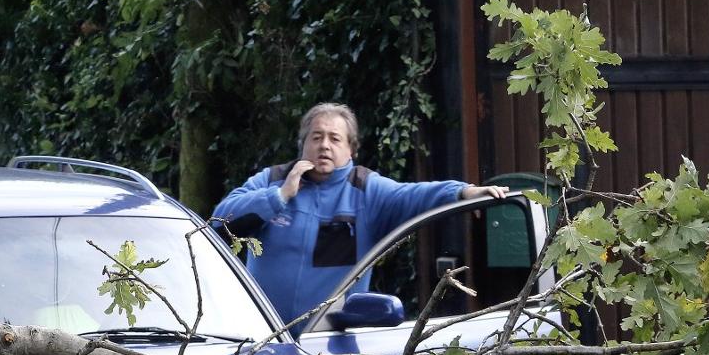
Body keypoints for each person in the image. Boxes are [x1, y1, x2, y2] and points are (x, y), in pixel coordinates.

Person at [212, 102, 508, 325]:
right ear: (302, 145)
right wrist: (280, 196)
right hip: (262, 336)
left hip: (329, 344)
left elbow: (415, 195)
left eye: (334, 138)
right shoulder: (271, 180)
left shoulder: (366, 189)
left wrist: (463, 192)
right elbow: (219, 221)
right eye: (316, 137)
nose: (324, 145)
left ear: (350, 150)